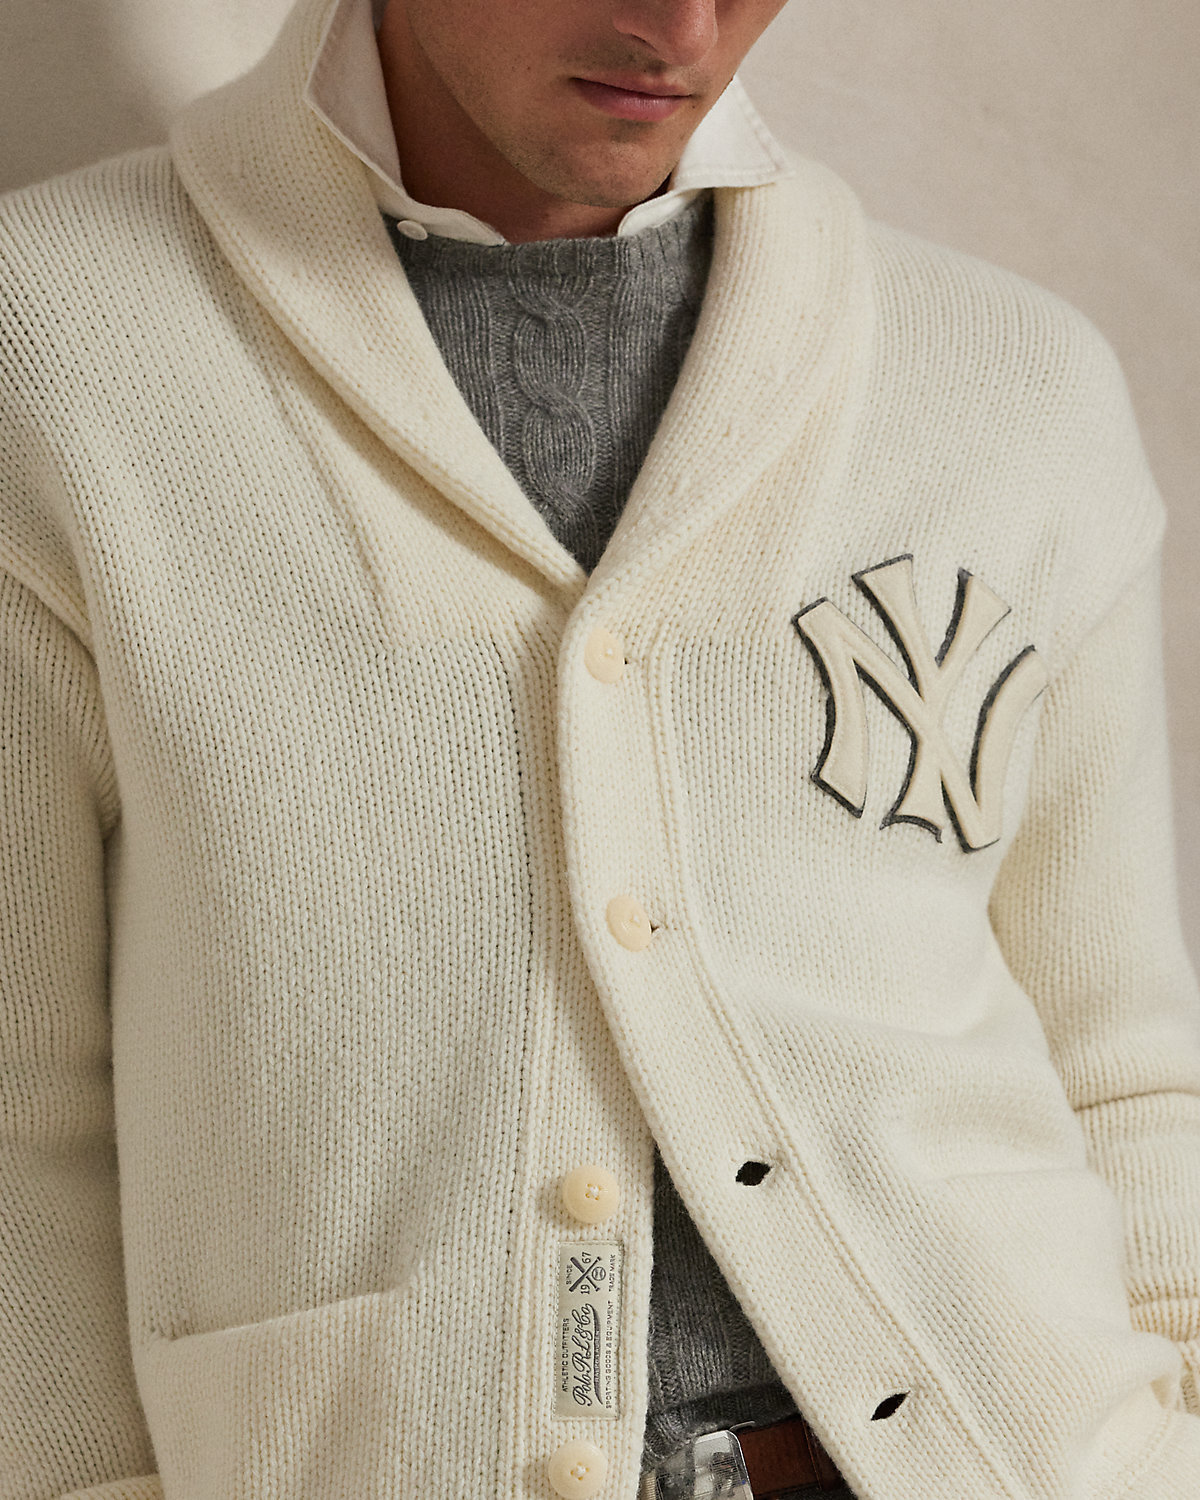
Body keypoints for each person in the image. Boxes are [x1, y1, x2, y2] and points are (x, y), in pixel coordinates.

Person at [0, 0, 1197, 1495]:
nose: (679, 26)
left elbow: (1122, 1053)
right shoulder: (59, 348)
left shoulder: (1011, 386)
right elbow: (22, 1107)